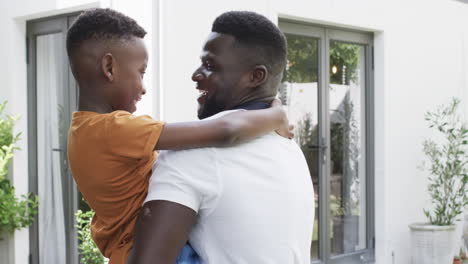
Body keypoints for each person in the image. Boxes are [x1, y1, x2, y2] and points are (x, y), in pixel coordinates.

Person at [66, 8, 293, 264]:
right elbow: (225, 131)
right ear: (109, 67)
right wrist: (277, 114)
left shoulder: (84, 131)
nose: (143, 87)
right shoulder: (114, 130)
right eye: (141, 72)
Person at [129, 11, 315, 264]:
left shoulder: (189, 156)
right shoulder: (289, 149)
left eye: (209, 66)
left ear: (255, 76)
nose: (195, 75)